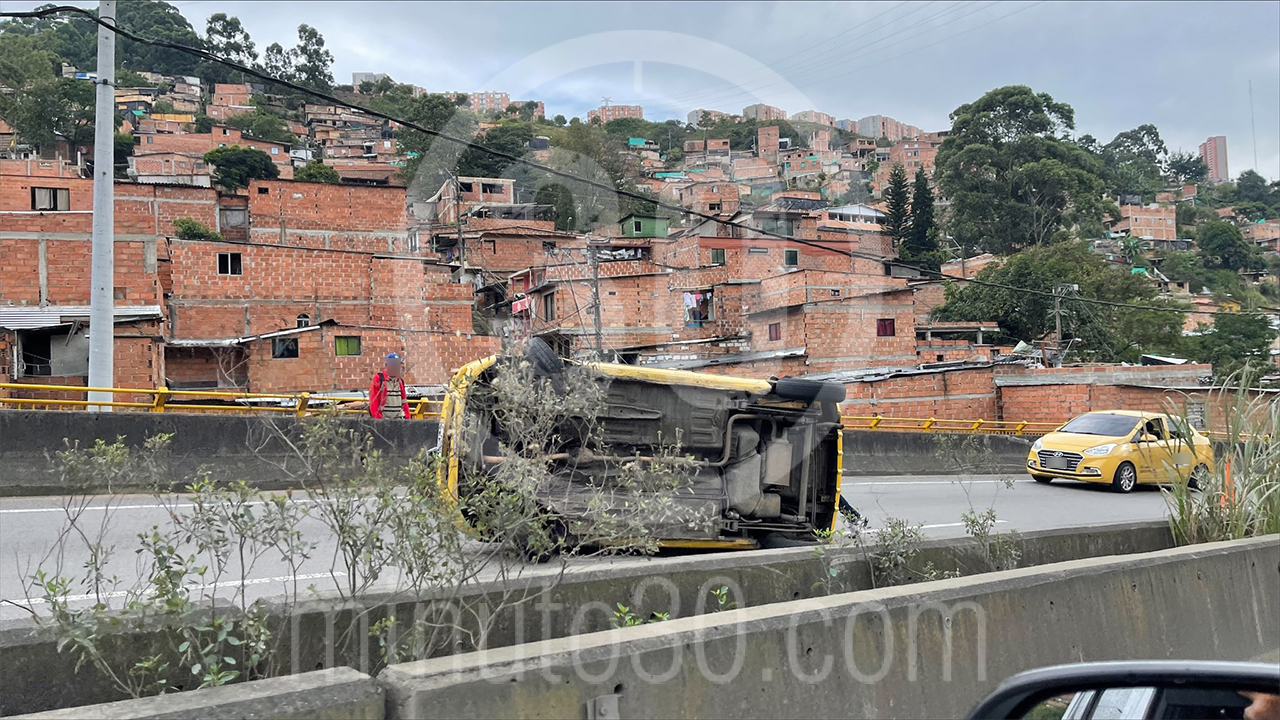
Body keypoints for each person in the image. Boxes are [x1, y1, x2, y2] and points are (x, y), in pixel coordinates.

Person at [369, 353, 410, 419]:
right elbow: (374, 402)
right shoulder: (379, 379)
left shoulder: (399, 381)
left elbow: (404, 401)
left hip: (399, 419)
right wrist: (378, 420)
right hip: (384, 420)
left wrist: (408, 418)